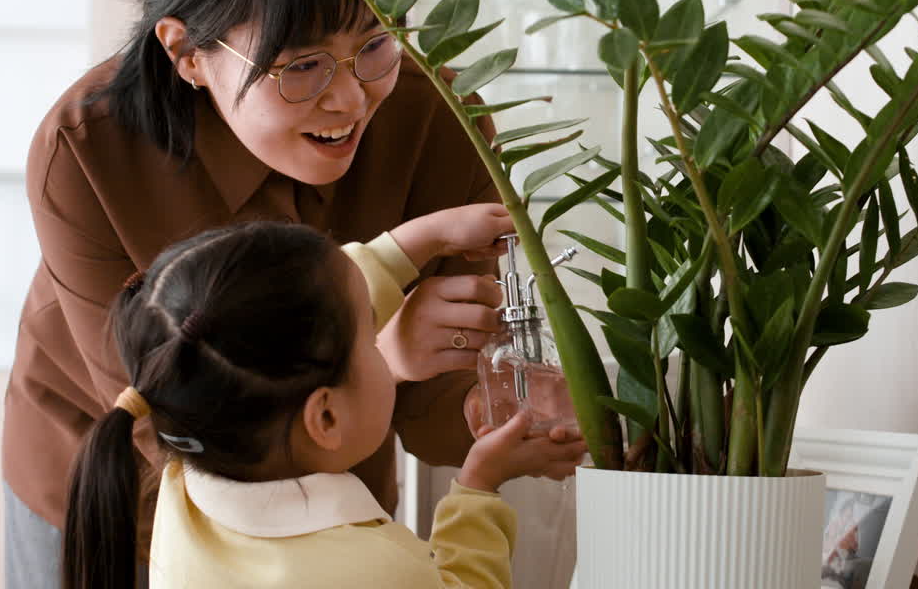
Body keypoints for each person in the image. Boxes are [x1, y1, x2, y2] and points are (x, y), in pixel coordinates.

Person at [3, 0, 512, 585]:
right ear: (186, 54)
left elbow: (439, 421)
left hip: (333, 514)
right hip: (111, 493)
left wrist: (519, 414)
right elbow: (177, 429)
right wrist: (378, 356)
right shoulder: (86, 151)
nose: (349, 97)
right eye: (301, 64)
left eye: (374, 42)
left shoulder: (439, 123)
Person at [63, 217, 586, 589]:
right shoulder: (377, 573)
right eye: (371, 337)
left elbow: (300, 307)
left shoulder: (193, 483)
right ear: (327, 416)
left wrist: (417, 242)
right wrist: (479, 489)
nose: (386, 343)